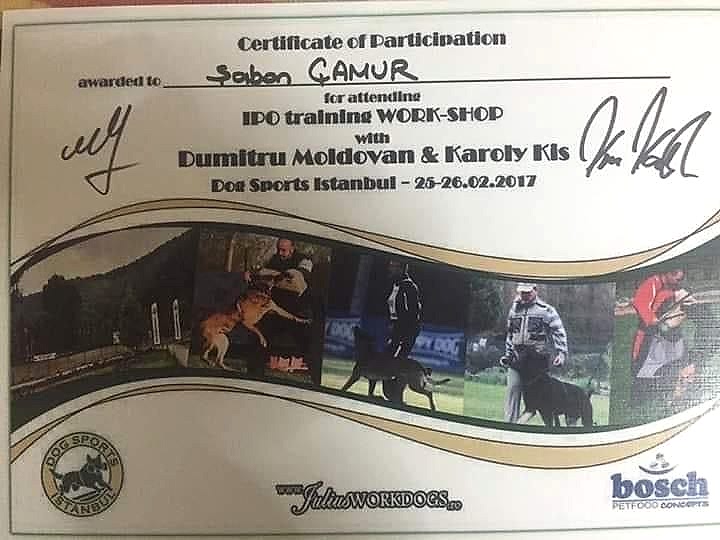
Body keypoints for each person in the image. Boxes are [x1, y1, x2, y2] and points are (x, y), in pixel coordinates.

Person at [499, 283, 568, 424]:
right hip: (517, 359)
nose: (524, 295)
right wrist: (508, 354)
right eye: (522, 292)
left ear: (535, 290)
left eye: (527, 292)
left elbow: (559, 331)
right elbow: (510, 335)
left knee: (541, 397)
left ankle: (546, 424)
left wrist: (561, 353)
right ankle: (509, 426)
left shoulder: (546, 310)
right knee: (513, 389)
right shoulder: (514, 310)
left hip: (537, 363)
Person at [630, 269, 696, 413]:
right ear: (668, 274)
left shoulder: (675, 288)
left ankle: (676, 401)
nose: (679, 282)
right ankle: (640, 402)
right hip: (649, 337)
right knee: (642, 373)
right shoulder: (652, 283)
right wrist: (656, 322)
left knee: (679, 369)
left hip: (670, 335)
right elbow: (640, 304)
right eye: (677, 279)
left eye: (681, 279)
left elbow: (687, 302)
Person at [385, 260, 422, 359]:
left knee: (395, 360)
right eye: (390, 266)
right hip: (398, 328)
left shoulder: (408, 286)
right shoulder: (396, 284)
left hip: (405, 330)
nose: (390, 268)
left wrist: (403, 331)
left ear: (401, 269)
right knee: (388, 358)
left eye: (393, 266)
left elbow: (414, 311)